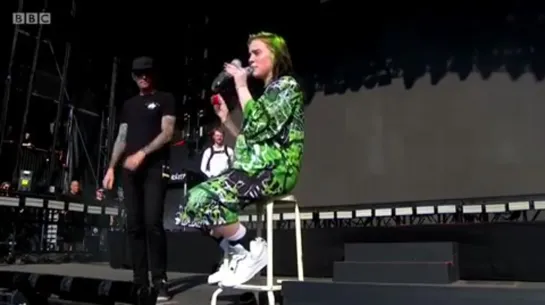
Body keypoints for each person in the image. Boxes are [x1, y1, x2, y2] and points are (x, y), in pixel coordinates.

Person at [176, 32, 305, 287]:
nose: (251, 59)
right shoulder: (268, 93)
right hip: (254, 168)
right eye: (249, 54)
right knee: (192, 206)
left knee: (204, 197)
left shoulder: (287, 87)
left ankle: (251, 251)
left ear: (275, 56)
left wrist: (241, 85)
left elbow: (259, 123)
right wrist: (226, 120)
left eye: (257, 53)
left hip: (276, 170)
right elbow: (251, 138)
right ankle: (239, 252)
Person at [102, 56, 175, 303]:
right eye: (137, 74)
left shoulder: (165, 99)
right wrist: (111, 167)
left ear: (153, 74)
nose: (142, 77)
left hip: (155, 167)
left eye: (146, 73)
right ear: (133, 77)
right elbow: (122, 138)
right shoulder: (129, 105)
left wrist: (142, 153)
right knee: (133, 225)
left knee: (152, 222)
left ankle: (160, 281)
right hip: (130, 172)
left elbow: (167, 133)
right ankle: (139, 282)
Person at [60, 180, 85, 252]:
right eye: (75, 185)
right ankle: (65, 253)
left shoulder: (80, 197)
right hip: (69, 220)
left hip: (79, 220)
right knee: (67, 238)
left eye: (77, 186)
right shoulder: (66, 196)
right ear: (71, 186)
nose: (77, 187)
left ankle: (78, 254)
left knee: (78, 238)